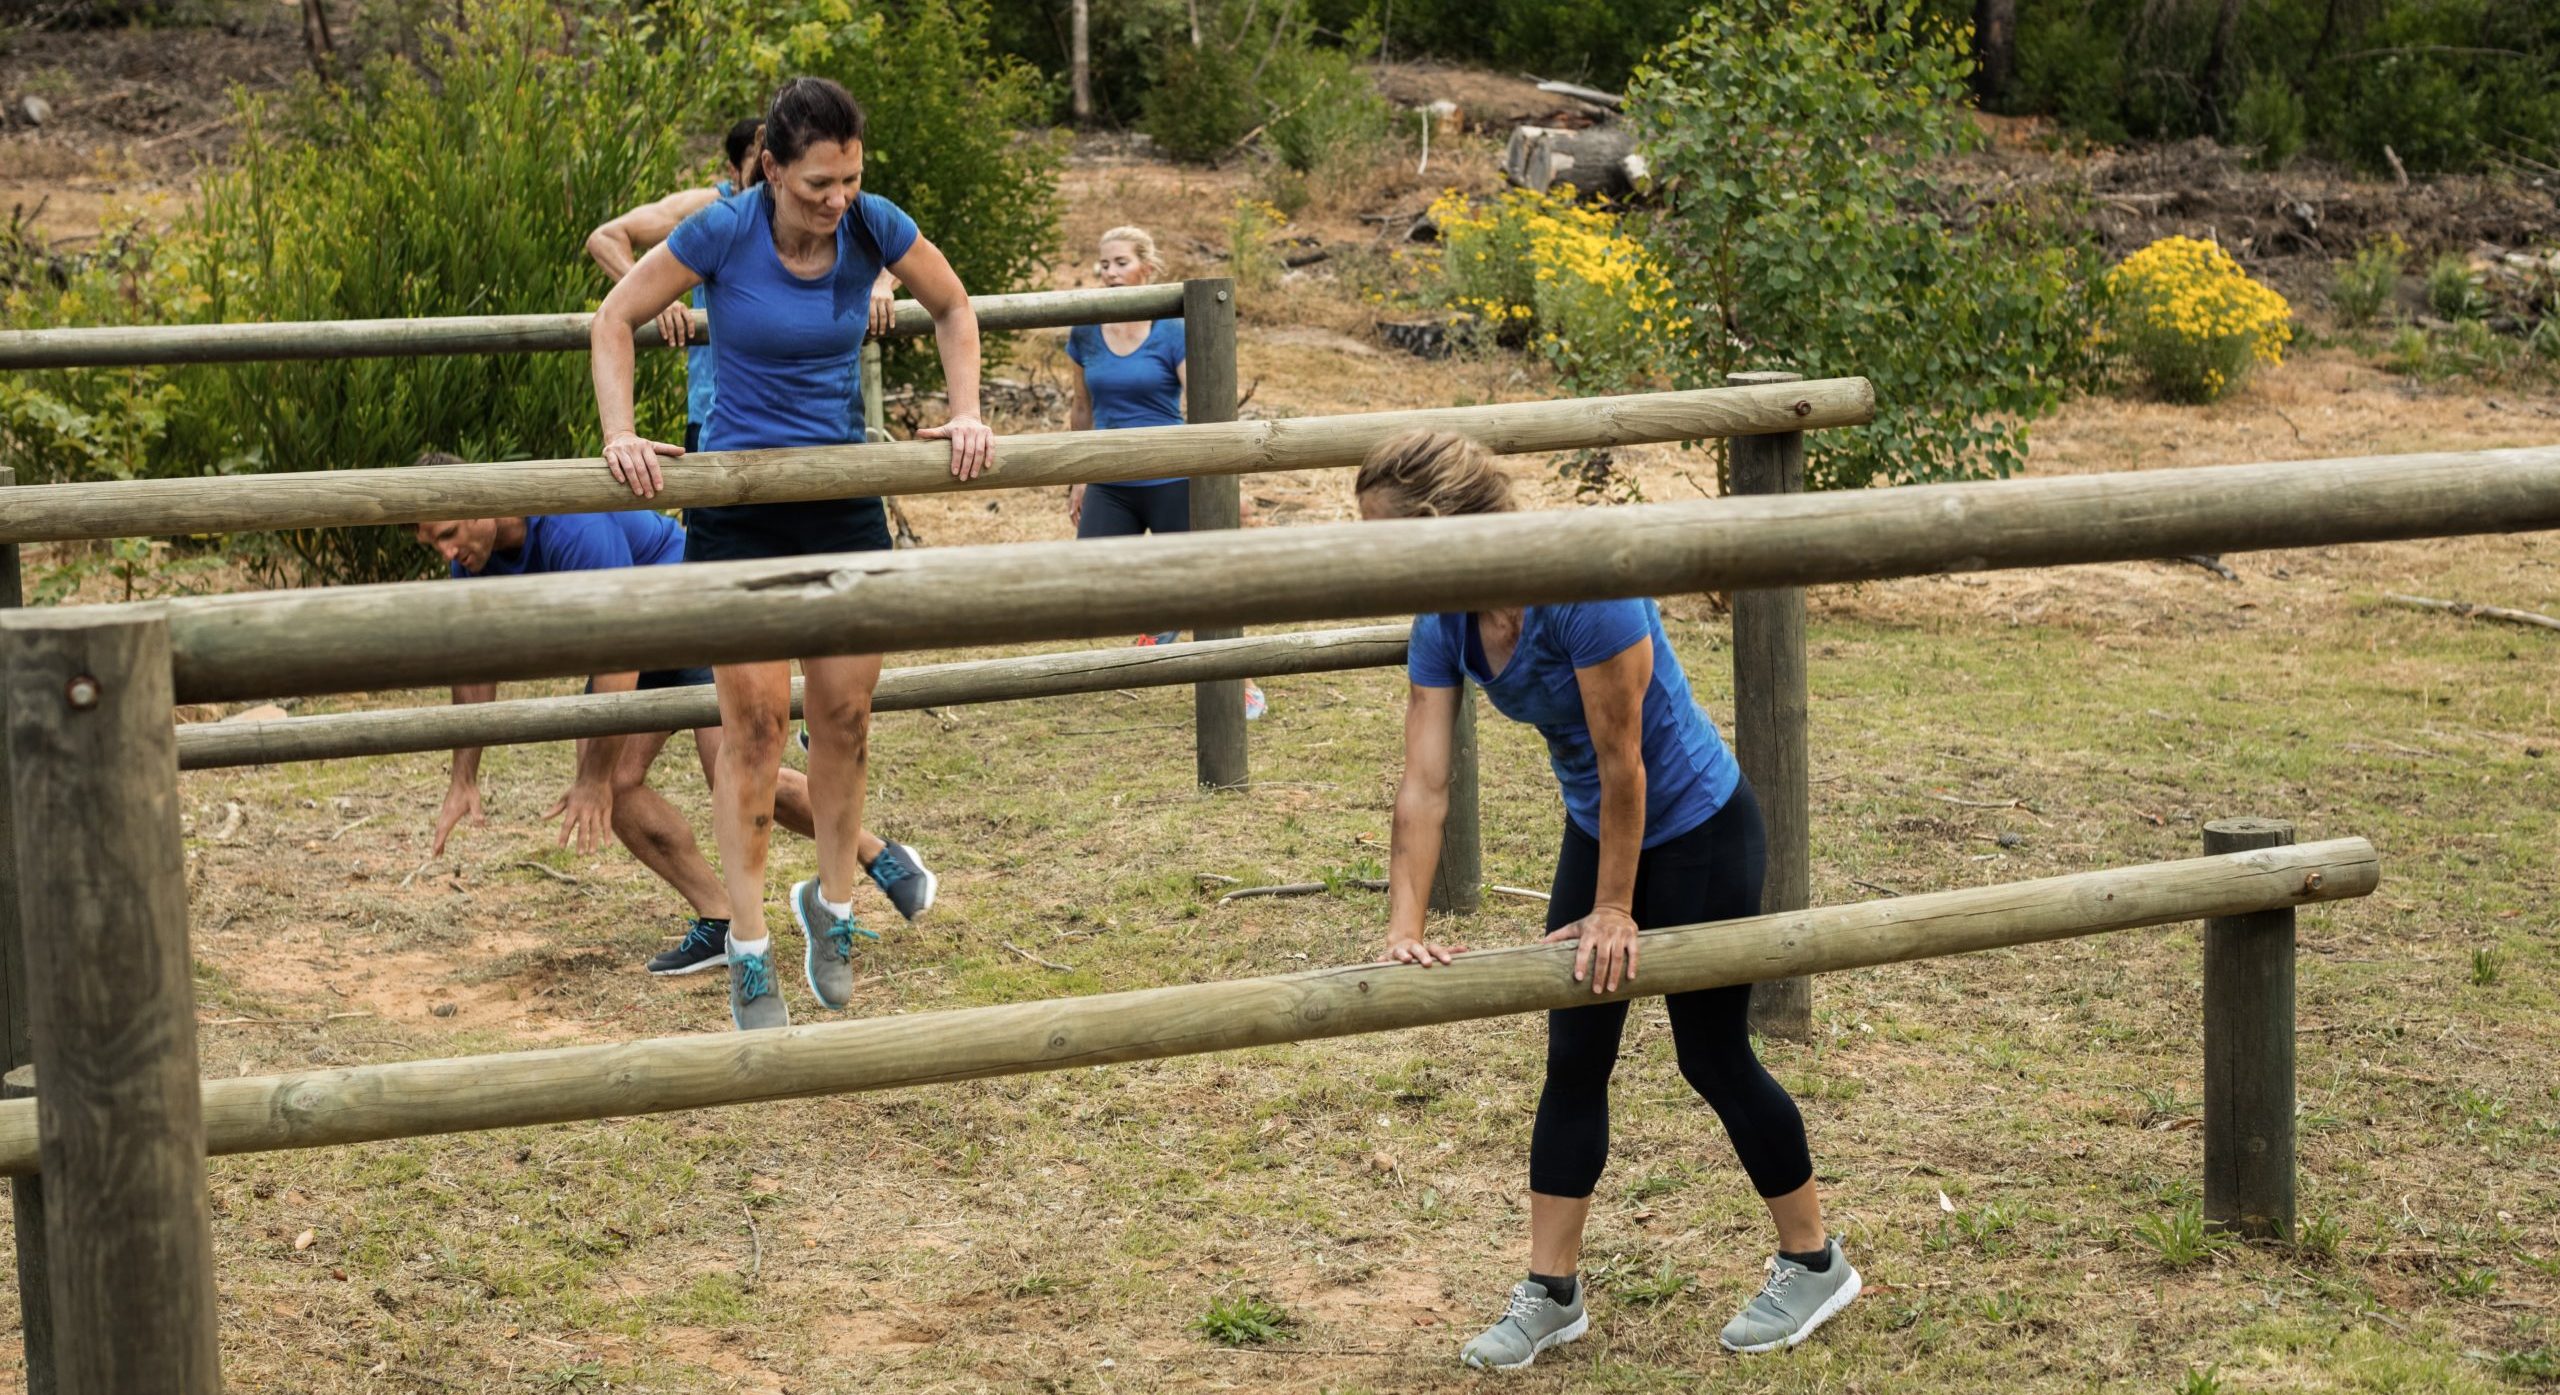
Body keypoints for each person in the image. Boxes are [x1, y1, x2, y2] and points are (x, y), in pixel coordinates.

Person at [1356, 430, 1859, 1372]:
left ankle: (1814, 1260)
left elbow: (1624, 756)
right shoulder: (1445, 620)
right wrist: (1403, 928)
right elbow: (1424, 783)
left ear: (1446, 529)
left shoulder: (1584, 582)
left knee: (1711, 1055)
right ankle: (1551, 1292)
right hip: (1602, 830)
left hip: (1698, 825)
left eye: (1384, 540)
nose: (1372, 563)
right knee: (1575, 1053)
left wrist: (1615, 909)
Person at [591, 76, 987, 1032]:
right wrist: (622, 434)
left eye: (849, 179)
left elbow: (955, 308)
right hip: (740, 503)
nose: (836, 199)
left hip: (843, 495)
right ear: (769, 167)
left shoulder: (873, 225)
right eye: (817, 182)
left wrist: (967, 409)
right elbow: (615, 319)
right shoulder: (723, 230)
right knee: (757, 731)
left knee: (846, 718)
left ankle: (836, 908)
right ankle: (751, 946)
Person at [409, 456, 932, 981]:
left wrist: (591, 779)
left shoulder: (570, 522)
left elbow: (620, 649)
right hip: (639, 642)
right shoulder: (471, 563)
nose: (447, 551)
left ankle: (877, 854)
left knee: (740, 778)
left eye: (449, 534)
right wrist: (464, 778)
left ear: (482, 506)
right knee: (615, 784)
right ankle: (721, 917)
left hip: (689, 618)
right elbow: (473, 668)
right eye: (434, 544)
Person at [585, 117, 898, 454]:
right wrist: (654, 297)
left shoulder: (828, 210)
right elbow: (606, 237)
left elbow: (900, 244)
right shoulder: (711, 214)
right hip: (715, 410)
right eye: (760, 174)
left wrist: (881, 282)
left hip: (817, 423)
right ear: (738, 171)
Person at [1061, 224, 1264, 717]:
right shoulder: (1085, 329)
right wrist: (1077, 477)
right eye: (1103, 264)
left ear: (1147, 270)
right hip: (1110, 479)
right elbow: (1081, 408)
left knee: (1207, 580)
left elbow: (1204, 403)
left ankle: (1240, 679)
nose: (1109, 273)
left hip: (1173, 473)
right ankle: (1166, 616)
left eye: (1121, 263)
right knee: (1093, 575)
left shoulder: (1172, 330)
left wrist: (1220, 476)